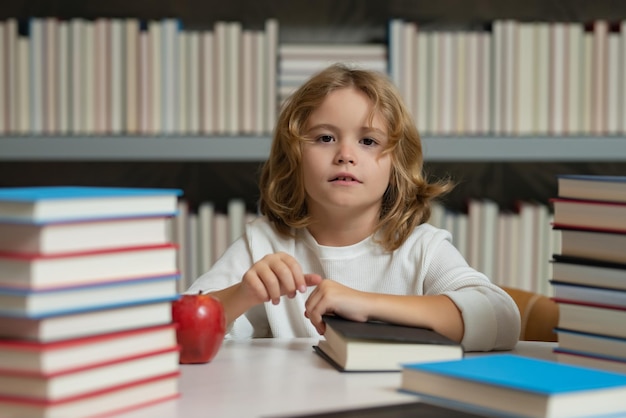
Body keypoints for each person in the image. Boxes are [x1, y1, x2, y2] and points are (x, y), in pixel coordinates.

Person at [187, 63, 520, 351]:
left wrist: (366, 304)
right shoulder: (263, 245)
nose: (345, 154)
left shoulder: (421, 249)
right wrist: (242, 294)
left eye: (368, 141)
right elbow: (177, 329)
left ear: (396, 165)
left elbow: (502, 318)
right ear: (294, 158)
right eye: (325, 138)